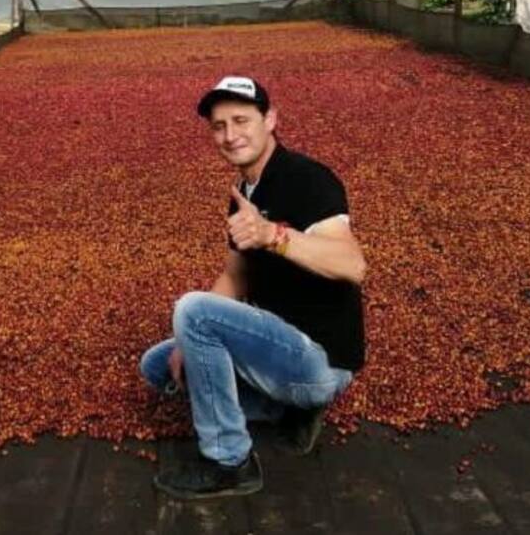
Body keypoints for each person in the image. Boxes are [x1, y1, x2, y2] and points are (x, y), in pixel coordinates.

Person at [140, 76, 366, 500]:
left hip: (319, 359)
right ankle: (287, 411)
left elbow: (352, 265)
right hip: (278, 348)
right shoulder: (244, 193)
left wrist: (272, 235)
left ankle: (230, 463)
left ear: (271, 120)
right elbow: (235, 277)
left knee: (193, 311)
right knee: (157, 365)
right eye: (219, 126)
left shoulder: (307, 178)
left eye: (241, 120)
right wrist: (186, 342)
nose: (230, 135)